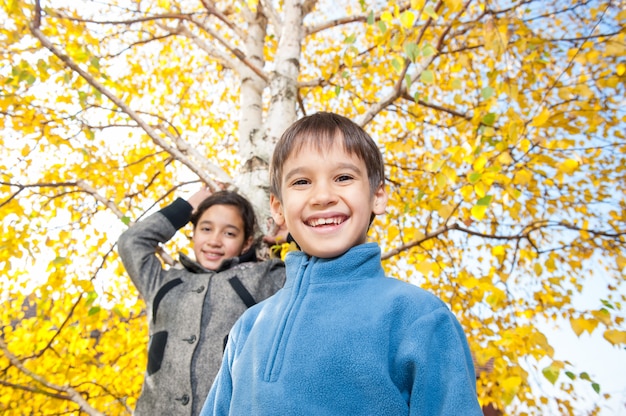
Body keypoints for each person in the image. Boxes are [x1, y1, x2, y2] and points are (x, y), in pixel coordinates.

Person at [200, 112, 483, 415]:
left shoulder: (418, 315)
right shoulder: (248, 327)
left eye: (343, 178)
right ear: (278, 208)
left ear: (378, 195)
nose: (322, 196)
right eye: (302, 181)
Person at [117, 188, 286, 416]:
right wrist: (185, 207)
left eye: (229, 233)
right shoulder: (162, 282)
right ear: (193, 233)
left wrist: (290, 236)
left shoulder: (264, 278)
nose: (214, 241)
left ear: (246, 243)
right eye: (206, 229)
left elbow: (318, 272)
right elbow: (131, 242)